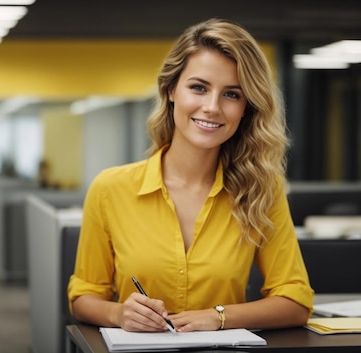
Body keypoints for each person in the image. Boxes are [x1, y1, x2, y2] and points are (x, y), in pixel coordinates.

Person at [67, 18, 314, 333]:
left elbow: (295, 300)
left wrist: (219, 317)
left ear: (246, 107)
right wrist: (119, 314)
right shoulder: (110, 189)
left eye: (232, 94)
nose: (212, 107)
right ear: (171, 90)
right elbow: (83, 297)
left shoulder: (260, 190)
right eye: (198, 88)